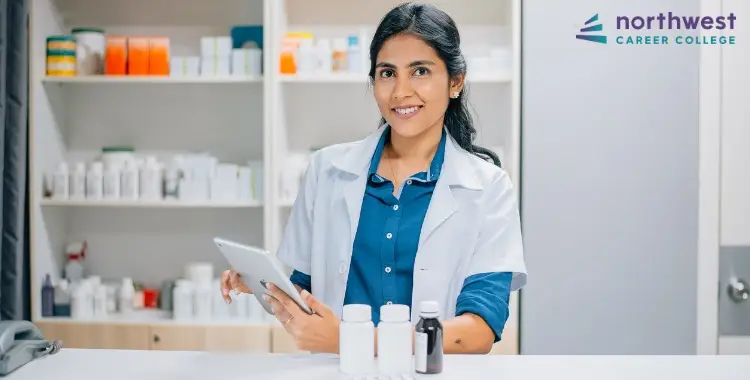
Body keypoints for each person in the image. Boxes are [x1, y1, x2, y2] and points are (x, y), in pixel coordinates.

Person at [220, 2, 527, 355]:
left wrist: (353, 340)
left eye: (421, 71)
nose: (400, 92)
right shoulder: (327, 169)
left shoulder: (488, 186)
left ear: (455, 82)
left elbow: (480, 330)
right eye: (387, 73)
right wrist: (264, 283)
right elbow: (306, 288)